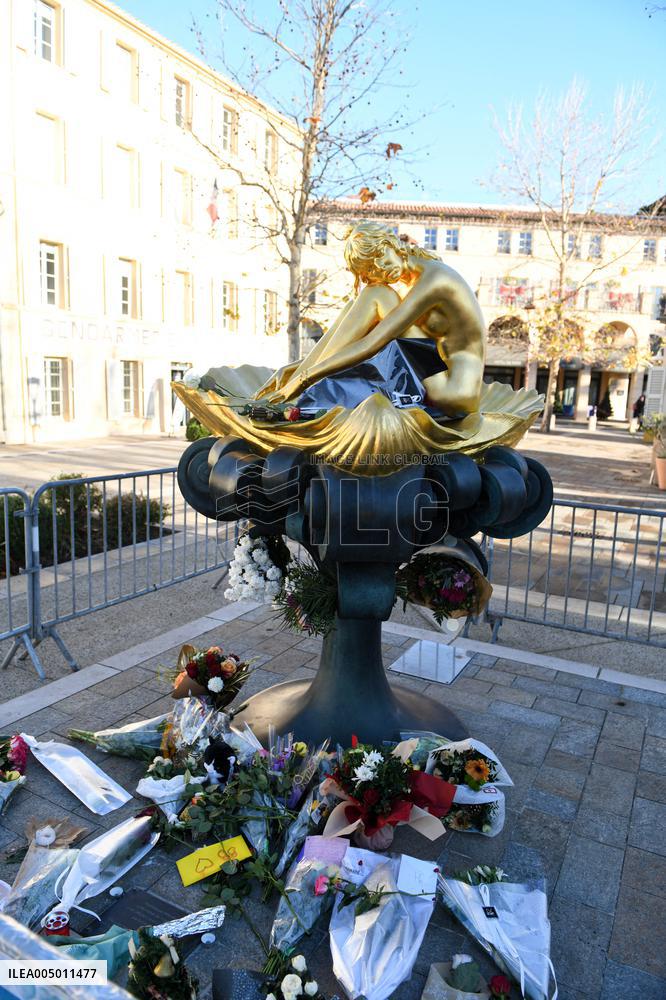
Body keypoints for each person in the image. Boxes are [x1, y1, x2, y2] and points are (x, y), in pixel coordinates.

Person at [261, 221, 486, 418]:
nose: (380, 269)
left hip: (452, 390)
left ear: (390, 243)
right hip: (438, 378)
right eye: (370, 270)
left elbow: (373, 342)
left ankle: (299, 385)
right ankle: (298, 376)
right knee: (358, 303)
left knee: (376, 295)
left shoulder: (435, 278)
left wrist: (304, 379)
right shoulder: (413, 281)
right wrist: (299, 369)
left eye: (379, 255)